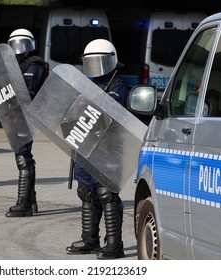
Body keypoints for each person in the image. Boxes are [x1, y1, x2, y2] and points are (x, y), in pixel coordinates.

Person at [65, 39, 128, 259]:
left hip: (108, 150)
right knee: (86, 192)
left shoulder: (118, 85)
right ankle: (89, 239)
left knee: (106, 193)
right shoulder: (87, 85)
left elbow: (109, 112)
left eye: (99, 60)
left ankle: (114, 244)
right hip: (85, 149)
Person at [5, 28, 46, 217]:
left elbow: (28, 91)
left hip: (26, 117)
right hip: (14, 116)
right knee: (23, 157)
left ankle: (24, 203)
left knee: (23, 158)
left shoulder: (34, 65)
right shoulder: (11, 65)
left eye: (21, 44)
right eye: (15, 44)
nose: (18, 49)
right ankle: (31, 201)